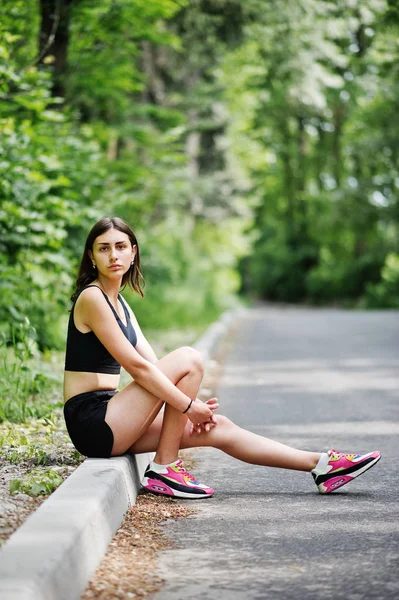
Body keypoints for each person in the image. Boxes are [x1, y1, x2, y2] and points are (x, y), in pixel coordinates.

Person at [63, 217, 381, 499]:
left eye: (120, 246)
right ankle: (165, 467)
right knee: (190, 358)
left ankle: (321, 465)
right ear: (91, 256)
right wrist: (189, 406)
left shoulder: (121, 304)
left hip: (114, 416)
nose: (114, 255)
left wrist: (191, 411)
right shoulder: (92, 297)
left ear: (133, 252)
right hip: (93, 421)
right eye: (104, 248)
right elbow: (139, 368)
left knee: (218, 427)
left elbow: (155, 362)